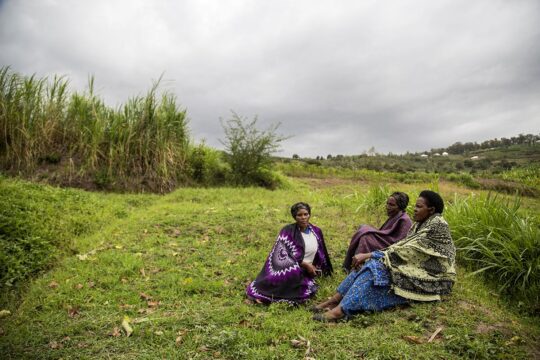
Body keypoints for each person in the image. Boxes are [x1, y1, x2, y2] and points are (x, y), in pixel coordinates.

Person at [312, 190, 455, 322]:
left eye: (419, 207)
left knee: (374, 265)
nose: (415, 209)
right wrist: (373, 255)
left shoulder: (437, 225)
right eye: (415, 206)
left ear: (431, 210)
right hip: (414, 265)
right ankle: (335, 300)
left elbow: (409, 251)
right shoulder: (421, 223)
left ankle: (341, 310)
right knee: (370, 263)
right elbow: (402, 245)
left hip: (433, 275)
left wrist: (371, 254)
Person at [246, 202, 333, 305]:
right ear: (294, 217)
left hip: (309, 268)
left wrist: (317, 267)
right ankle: (269, 295)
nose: (303, 217)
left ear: (309, 214)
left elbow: (322, 252)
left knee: (298, 279)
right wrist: (304, 264)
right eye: (299, 215)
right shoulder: (288, 231)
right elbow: (280, 253)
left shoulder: (316, 231)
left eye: (306, 214)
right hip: (291, 265)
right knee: (290, 272)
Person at [342, 192, 412, 272]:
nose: (388, 207)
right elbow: (385, 232)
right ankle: (354, 265)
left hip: (391, 248)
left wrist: (374, 235)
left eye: (392, 205)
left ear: (400, 207)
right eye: (387, 204)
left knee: (366, 238)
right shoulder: (395, 216)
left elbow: (400, 242)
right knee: (363, 229)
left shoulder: (405, 220)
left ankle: (357, 268)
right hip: (386, 241)